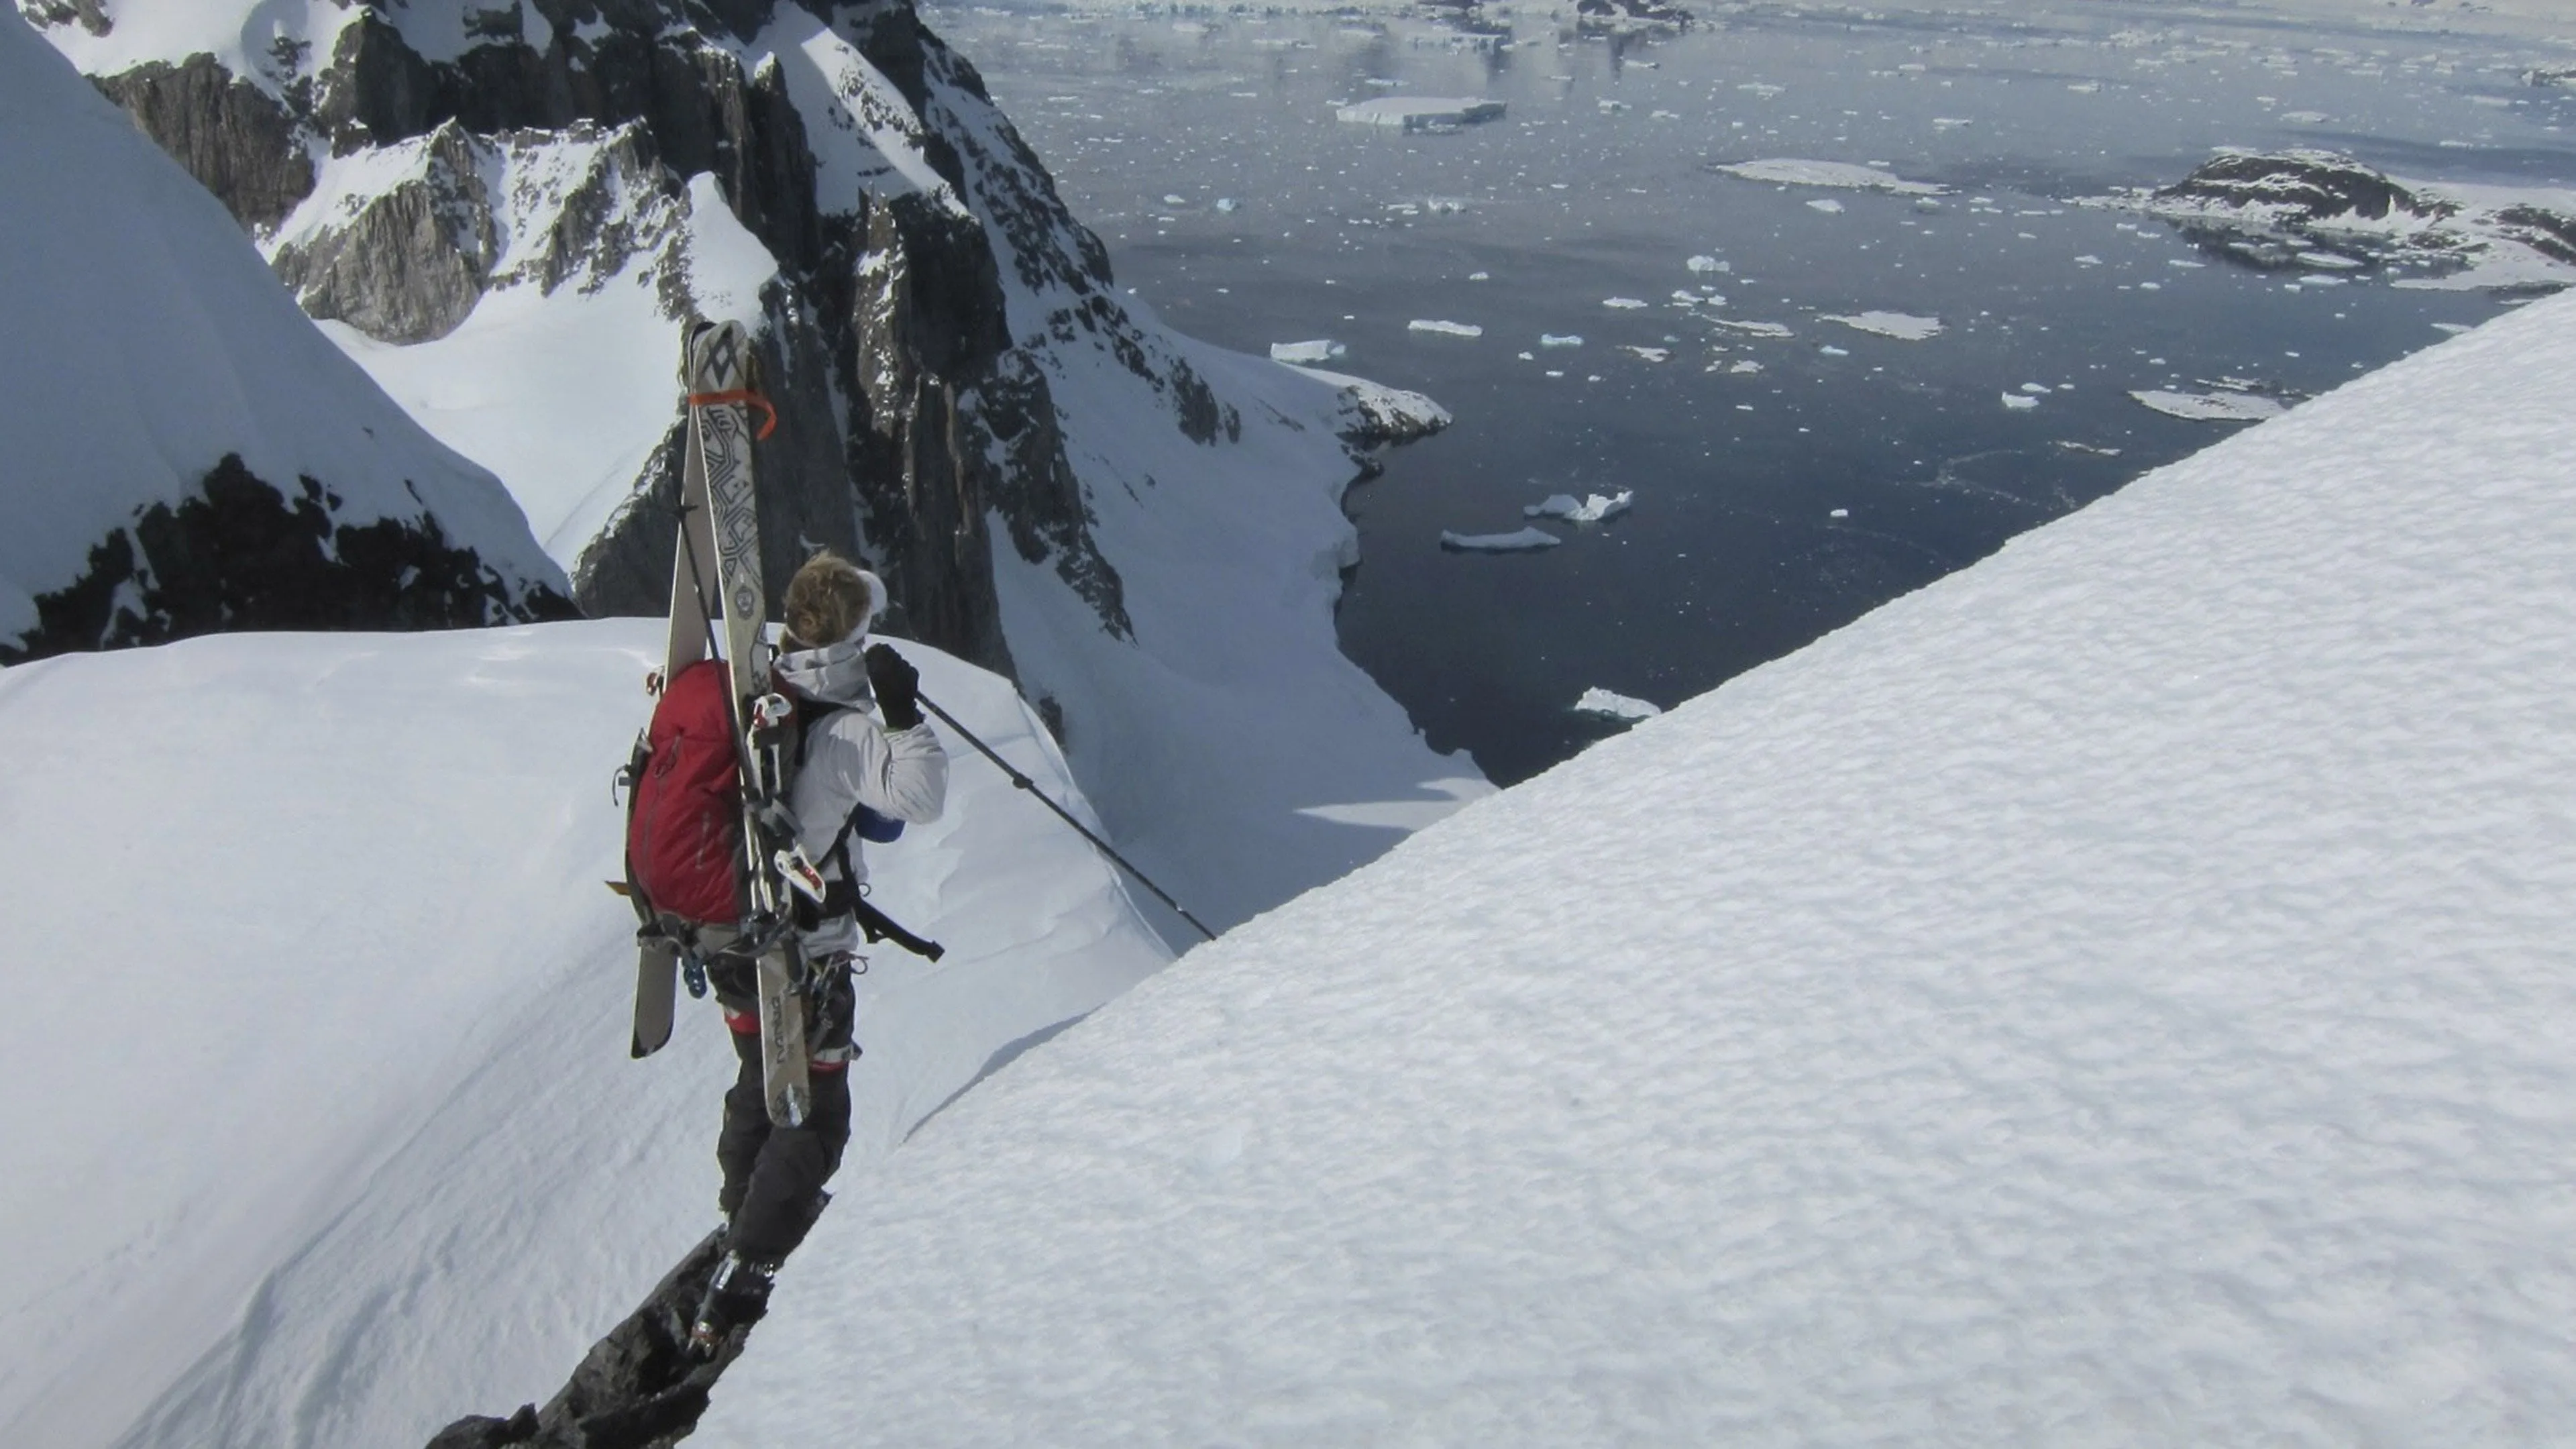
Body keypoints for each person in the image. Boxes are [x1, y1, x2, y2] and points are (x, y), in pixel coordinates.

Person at [691, 549, 949, 1352]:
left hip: (727, 934)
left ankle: (744, 1215)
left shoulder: (754, 695)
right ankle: (751, 1269)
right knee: (814, 1110)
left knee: (759, 1077)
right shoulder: (840, 730)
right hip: (801, 954)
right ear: (853, 635)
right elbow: (919, 797)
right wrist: (903, 715)